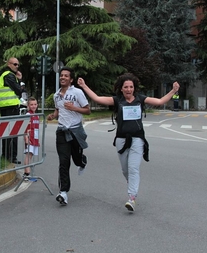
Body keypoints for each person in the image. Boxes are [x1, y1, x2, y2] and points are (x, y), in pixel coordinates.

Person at [77, 73, 179, 212]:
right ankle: (131, 183)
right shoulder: (117, 100)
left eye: (131, 87)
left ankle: (132, 198)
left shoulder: (141, 99)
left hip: (137, 139)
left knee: (133, 168)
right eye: (126, 87)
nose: (129, 89)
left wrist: (173, 91)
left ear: (134, 88)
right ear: (121, 89)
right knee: (125, 170)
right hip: (121, 139)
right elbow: (97, 98)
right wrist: (83, 86)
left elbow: (160, 102)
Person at [47, 67, 91, 206]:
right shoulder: (57, 95)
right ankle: (63, 192)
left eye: (66, 76)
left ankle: (82, 162)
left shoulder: (77, 92)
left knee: (76, 160)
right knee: (64, 162)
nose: (63, 77)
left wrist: (74, 108)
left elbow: (88, 110)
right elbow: (58, 110)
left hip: (75, 131)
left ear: (71, 79)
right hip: (61, 131)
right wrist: (53, 116)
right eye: (61, 75)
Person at [0, 57, 23, 164]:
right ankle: (12, 157)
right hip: (11, 107)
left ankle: (6, 156)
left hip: (4, 107)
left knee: (6, 133)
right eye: (15, 64)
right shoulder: (9, 75)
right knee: (13, 133)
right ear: (9, 64)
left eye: (17, 65)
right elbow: (18, 90)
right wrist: (20, 80)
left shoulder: (3, 75)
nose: (17, 66)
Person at [23, 97, 40, 181]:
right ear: (28, 106)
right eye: (31, 104)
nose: (33, 106)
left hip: (35, 139)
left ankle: (27, 173)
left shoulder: (37, 116)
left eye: (35, 104)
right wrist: (26, 137)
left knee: (31, 155)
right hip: (30, 139)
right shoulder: (28, 115)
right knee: (28, 155)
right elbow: (25, 128)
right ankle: (26, 174)